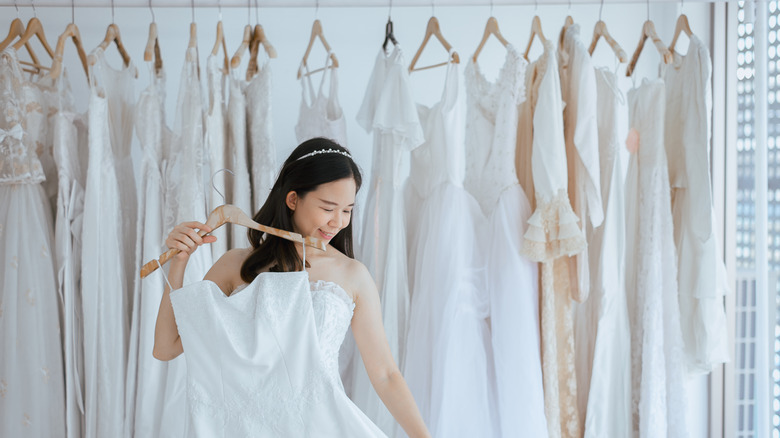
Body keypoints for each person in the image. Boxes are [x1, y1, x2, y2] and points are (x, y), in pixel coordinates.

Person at [152, 137, 430, 437]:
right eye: (328, 207)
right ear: (293, 199)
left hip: (319, 426)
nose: (338, 222)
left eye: (348, 210)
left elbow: (386, 375)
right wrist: (178, 264)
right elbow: (166, 348)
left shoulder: (352, 274)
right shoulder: (236, 265)